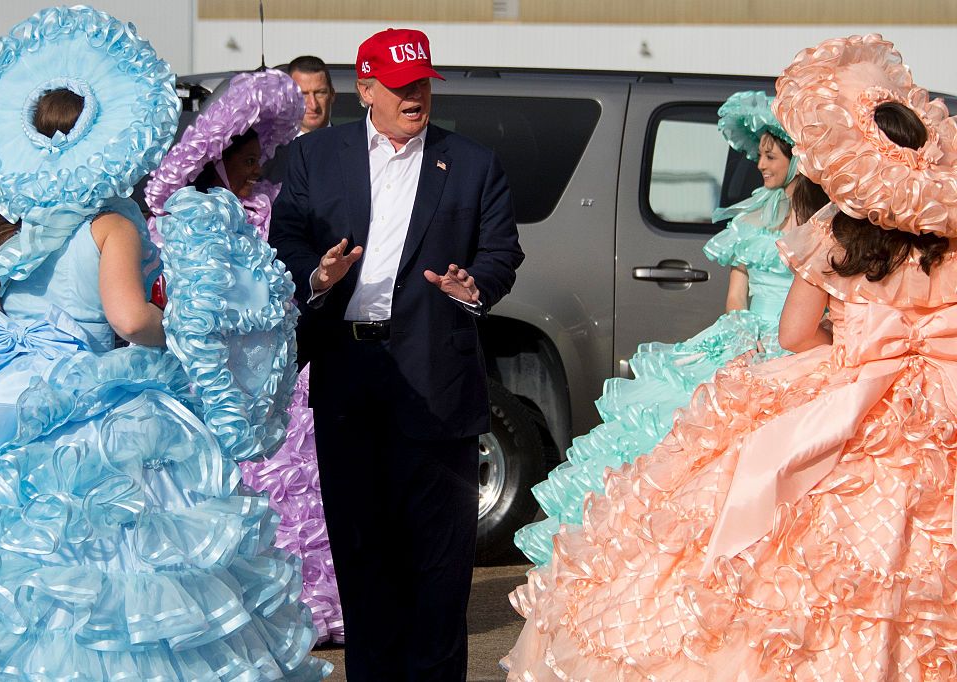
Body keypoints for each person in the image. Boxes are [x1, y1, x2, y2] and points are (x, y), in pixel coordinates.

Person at [504, 34, 957, 679]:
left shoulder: (831, 231)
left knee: (774, 556)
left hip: (844, 393)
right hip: (937, 413)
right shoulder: (949, 234)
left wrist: (857, 353)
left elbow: (797, 333)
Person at [0, 7, 329, 679]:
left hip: (0, 398)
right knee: (122, 568)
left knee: (8, 561)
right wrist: (177, 337)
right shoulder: (109, 220)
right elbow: (127, 319)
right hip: (96, 401)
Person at [270, 27, 524, 681]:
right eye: (400, 84)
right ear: (367, 89)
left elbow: (501, 251)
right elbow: (286, 238)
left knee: (439, 572)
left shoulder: (470, 163)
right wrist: (315, 276)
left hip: (437, 384)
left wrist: (477, 286)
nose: (414, 96)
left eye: (421, 84)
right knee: (364, 562)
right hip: (349, 381)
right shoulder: (315, 159)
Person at [514, 90, 829, 567]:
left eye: (770, 155)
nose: (760, 165)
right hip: (750, 339)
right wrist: (743, 343)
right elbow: (734, 298)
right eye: (760, 155)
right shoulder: (748, 220)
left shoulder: (821, 226)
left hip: (798, 343)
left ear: (796, 158)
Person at [145, 68, 345, 646]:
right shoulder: (182, 222)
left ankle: (318, 607)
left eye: (262, 157)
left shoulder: (278, 207)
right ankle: (251, 610)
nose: (259, 167)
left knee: (305, 493)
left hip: (283, 378)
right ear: (217, 161)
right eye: (248, 158)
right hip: (218, 382)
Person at [288, 55, 336, 134]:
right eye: (303, 94)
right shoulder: (270, 145)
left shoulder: (357, 144)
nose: (313, 105)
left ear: (332, 95)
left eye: (320, 93)